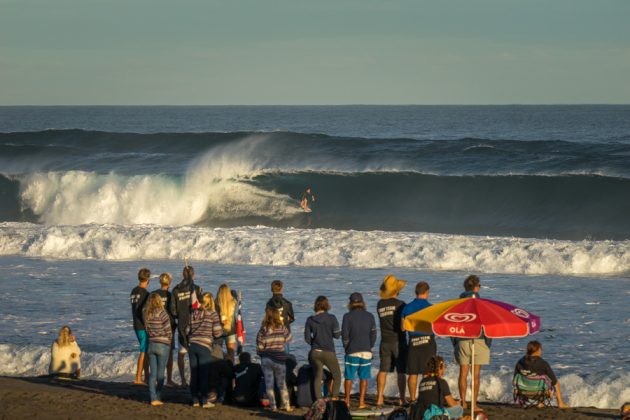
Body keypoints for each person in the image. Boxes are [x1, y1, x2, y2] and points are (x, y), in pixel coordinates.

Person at [454, 274, 491, 410]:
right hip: (479, 339)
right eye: (479, 286)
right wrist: (488, 343)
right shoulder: (481, 303)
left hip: (462, 339)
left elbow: (453, 322)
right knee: (475, 374)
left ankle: (463, 402)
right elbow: (486, 324)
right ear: (476, 287)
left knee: (463, 373)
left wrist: (455, 342)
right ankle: (473, 405)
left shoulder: (459, 302)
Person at [401, 281, 436, 403]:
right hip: (428, 342)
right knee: (427, 373)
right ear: (427, 292)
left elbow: (403, 328)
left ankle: (412, 399)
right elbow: (435, 328)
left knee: (413, 373)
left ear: (416, 292)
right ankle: (425, 398)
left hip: (413, 342)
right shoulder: (432, 308)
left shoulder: (407, 307)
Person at [376, 274, 408, 406]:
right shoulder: (401, 305)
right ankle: (402, 398)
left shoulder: (380, 304)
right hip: (398, 341)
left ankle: (379, 398)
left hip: (384, 341)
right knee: (401, 371)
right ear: (397, 290)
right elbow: (404, 325)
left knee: (383, 370)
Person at [341, 292, 377, 409]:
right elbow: (373, 334)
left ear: (351, 303)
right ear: (362, 303)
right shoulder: (370, 316)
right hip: (366, 350)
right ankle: (361, 402)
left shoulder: (347, 316)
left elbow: (345, 336)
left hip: (352, 350)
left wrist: (347, 348)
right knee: (364, 377)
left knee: (349, 377)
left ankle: (347, 401)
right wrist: (369, 346)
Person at [188, 292, 224, 408]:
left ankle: (194, 400)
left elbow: (187, 329)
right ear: (211, 302)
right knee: (204, 375)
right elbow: (218, 333)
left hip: (192, 345)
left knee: (194, 374)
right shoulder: (212, 314)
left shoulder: (194, 313)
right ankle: (204, 400)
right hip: (204, 346)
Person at [256, 307, 294, 412]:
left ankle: (273, 406)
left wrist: (262, 354)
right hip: (279, 359)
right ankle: (286, 405)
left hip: (267, 359)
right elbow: (290, 338)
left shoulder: (263, 329)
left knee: (269, 384)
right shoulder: (282, 327)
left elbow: (259, 346)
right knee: (282, 384)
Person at [304, 295, 342, 400]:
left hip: (315, 352)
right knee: (337, 375)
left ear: (316, 306)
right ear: (327, 305)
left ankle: (319, 400)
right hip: (328, 351)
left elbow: (307, 339)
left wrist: (315, 343)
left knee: (318, 376)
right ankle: (334, 397)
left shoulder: (310, 320)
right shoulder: (332, 318)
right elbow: (337, 335)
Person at [170, 265, 202, 387]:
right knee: (194, 353)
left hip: (182, 324)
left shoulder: (176, 290)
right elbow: (201, 307)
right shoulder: (196, 289)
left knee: (182, 353)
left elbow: (173, 310)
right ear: (193, 275)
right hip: (195, 325)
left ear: (183, 275)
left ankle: (183, 380)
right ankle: (195, 379)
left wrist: (180, 316)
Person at [514, 341, 569, 408]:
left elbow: (515, 378)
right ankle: (560, 403)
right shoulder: (542, 363)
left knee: (537, 379)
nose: (541, 351)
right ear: (537, 350)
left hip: (523, 392)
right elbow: (554, 381)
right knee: (554, 383)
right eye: (540, 349)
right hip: (539, 392)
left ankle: (540, 403)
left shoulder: (520, 362)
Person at [144, 293, 172, 406]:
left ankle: (152, 398)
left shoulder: (147, 314)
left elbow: (147, 330)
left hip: (151, 344)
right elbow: (168, 331)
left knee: (152, 374)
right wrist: (168, 341)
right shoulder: (163, 313)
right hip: (162, 345)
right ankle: (158, 396)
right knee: (160, 374)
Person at [153, 272, 177, 386]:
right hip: (169, 326)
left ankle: (158, 377)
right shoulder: (171, 295)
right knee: (169, 353)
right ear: (169, 282)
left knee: (157, 351)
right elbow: (173, 311)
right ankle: (169, 379)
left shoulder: (154, 294)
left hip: (156, 325)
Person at [130, 267, 151, 384]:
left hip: (135, 323)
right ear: (147, 279)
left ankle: (146, 377)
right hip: (142, 325)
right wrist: (147, 324)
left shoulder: (133, 291)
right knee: (143, 351)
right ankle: (138, 377)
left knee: (146, 350)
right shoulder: (146, 294)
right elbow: (144, 311)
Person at [216, 283, 238, 362]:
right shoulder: (233, 302)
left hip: (219, 331)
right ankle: (231, 371)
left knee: (217, 354)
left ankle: (221, 369)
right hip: (231, 330)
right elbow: (235, 294)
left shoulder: (216, 304)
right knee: (231, 353)